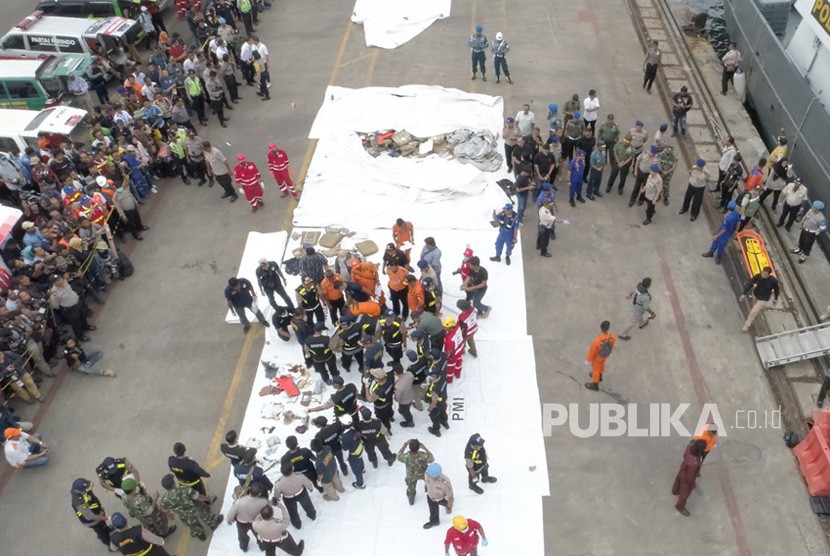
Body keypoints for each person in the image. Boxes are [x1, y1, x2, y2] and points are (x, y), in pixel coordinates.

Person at [226, 482, 269, 551]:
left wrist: (229, 520)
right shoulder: (264, 501)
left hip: (241, 523)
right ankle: (263, 546)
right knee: (259, 535)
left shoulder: (238, 502)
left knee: (242, 536)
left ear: (249, 489)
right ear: (259, 493)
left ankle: (244, 547)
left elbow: (230, 515)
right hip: (255, 522)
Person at [274, 462, 317, 529]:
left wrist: (277, 498)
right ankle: (312, 515)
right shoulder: (299, 476)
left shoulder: (278, 483)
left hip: (288, 498)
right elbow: (308, 483)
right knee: (307, 505)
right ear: (292, 469)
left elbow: (277, 494)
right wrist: (310, 489)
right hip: (301, 493)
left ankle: (297, 525)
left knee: (292, 512)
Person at [72, 478, 113, 547]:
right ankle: (109, 544)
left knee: (103, 527)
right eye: (87, 488)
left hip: (96, 511)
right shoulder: (80, 503)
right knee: (102, 532)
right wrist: (106, 518)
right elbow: (91, 517)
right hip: (93, 521)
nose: (89, 488)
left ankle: (107, 530)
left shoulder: (77, 489)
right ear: (81, 491)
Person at [672, 439, 706, 516]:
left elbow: (684, 455)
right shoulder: (694, 462)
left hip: (683, 469)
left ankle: (675, 490)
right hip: (686, 478)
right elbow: (690, 477)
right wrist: (693, 485)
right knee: (684, 494)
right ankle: (680, 507)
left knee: (678, 480)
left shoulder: (690, 446)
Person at [397, 438, 435, 505]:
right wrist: (425, 448)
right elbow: (432, 459)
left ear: (409, 447)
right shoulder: (423, 455)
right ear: (419, 447)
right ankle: (429, 492)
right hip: (423, 474)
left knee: (411, 488)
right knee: (429, 482)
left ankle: (411, 500)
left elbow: (398, 456)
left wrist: (404, 445)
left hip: (411, 476)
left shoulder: (406, 456)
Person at [584, 321, 616, 391]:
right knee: (602, 365)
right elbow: (611, 346)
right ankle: (600, 377)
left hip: (597, 358)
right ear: (608, 328)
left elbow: (592, 352)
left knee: (595, 371)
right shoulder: (612, 337)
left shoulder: (597, 341)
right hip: (605, 356)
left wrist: (588, 360)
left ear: (601, 327)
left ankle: (595, 385)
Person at [422, 462, 454, 530]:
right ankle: (434, 521)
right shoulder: (427, 473)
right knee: (432, 509)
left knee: (447, 503)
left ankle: (448, 505)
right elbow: (426, 482)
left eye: (432, 476)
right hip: (430, 496)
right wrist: (426, 490)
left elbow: (450, 495)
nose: (430, 477)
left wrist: (449, 507)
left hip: (441, 498)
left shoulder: (445, 482)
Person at [339, 415, 366, 489]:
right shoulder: (354, 427)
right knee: (360, 459)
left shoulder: (345, 438)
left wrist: (344, 460)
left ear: (343, 424)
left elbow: (345, 451)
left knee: (356, 470)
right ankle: (362, 469)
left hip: (353, 455)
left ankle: (360, 484)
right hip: (359, 448)